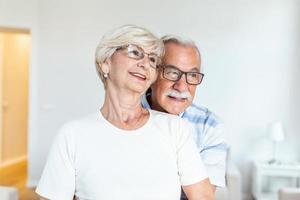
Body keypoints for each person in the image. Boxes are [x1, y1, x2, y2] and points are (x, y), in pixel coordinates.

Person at [35, 25, 214, 200]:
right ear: (106, 62)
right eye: (135, 52)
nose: (145, 64)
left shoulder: (175, 128)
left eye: (152, 60)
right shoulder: (72, 135)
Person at [141, 35, 227, 198]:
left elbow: (203, 196)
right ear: (152, 73)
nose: (182, 86)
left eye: (192, 76)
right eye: (172, 72)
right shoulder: (124, 115)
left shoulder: (210, 125)